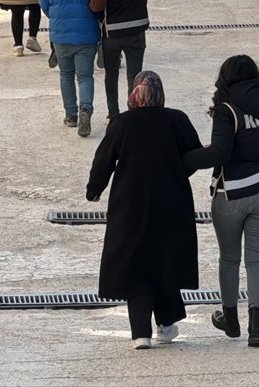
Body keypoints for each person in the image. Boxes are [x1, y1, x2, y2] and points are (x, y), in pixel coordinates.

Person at [87, 71, 203, 350]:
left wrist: (95, 189)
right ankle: (165, 325)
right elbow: (195, 155)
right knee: (165, 260)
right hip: (171, 200)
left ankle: (141, 333)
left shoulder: (121, 123)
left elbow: (104, 159)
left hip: (130, 203)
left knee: (136, 262)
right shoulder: (177, 119)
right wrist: (178, 172)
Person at [185, 56, 259, 348]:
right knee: (257, 261)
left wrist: (183, 159)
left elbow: (219, 154)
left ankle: (230, 320)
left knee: (229, 259)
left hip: (231, 193)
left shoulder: (227, 109)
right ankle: (257, 328)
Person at [83, 0, 147, 119]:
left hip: (114, 33)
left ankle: (114, 114)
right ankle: (134, 114)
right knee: (135, 76)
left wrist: (87, 2)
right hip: (137, 30)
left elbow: (97, 5)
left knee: (111, 76)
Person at [40, 0, 101, 137]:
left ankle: (71, 115)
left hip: (61, 34)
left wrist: (57, 18)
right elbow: (98, 1)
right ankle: (86, 109)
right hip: (87, 34)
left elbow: (44, 3)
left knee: (66, 74)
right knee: (84, 76)